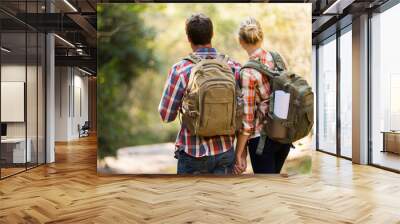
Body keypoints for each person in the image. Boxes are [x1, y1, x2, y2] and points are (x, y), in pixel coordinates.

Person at [158, 13, 241, 175]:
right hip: (224, 151)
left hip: (192, 152)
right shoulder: (232, 67)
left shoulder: (180, 69)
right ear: (212, 34)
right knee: (221, 200)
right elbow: (242, 111)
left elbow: (166, 115)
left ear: (188, 38)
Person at [233, 17, 291, 174]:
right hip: (284, 135)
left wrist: (239, 152)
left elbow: (247, 119)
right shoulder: (278, 58)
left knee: (265, 187)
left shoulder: (247, 73)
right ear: (261, 36)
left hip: (262, 140)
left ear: (240, 41)